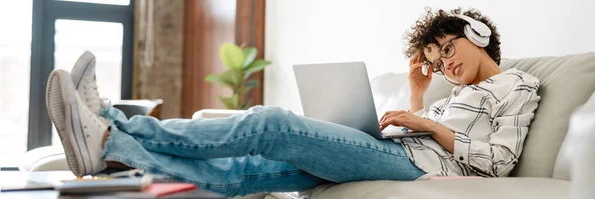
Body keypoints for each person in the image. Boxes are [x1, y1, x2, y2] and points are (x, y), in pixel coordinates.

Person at [46, 8, 540, 197]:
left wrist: (423, 123)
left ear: (478, 36)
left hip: (412, 164)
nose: (445, 63)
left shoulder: (517, 85)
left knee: (274, 123)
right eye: (436, 57)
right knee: (248, 172)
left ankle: (113, 127)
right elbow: (430, 126)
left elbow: (497, 164)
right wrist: (417, 97)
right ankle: (114, 156)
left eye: (449, 49)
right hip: (395, 150)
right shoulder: (455, 95)